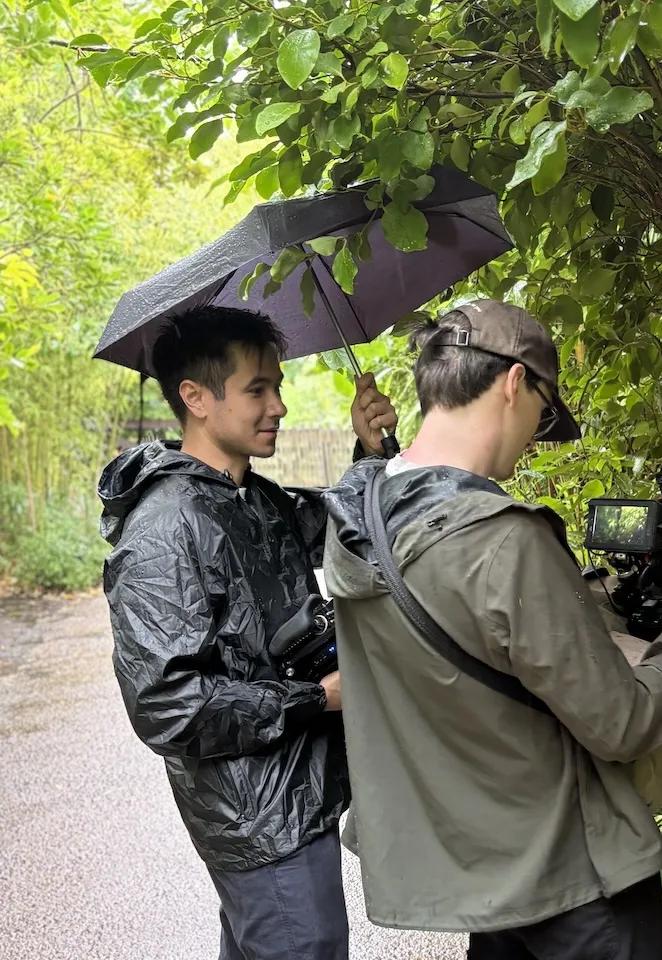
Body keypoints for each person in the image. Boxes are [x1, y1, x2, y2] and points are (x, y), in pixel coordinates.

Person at [322, 299, 662, 960]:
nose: (538, 431)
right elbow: (621, 723)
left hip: (487, 878)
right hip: (575, 878)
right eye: (544, 410)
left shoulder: (356, 523)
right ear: (514, 384)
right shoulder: (501, 539)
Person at [98, 305, 398, 960]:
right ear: (196, 398)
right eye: (257, 389)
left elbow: (342, 528)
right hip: (256, 822)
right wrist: (318, 698)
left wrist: (370, 453)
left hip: (294, 801)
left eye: (278, 387)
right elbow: (169, 709)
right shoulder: (163, 531)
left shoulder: (250, 498)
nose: (279, 407)